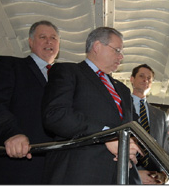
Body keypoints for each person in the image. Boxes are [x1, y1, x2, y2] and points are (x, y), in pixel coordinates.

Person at [41, 27, 143, 184]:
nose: (121, 56)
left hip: (123, 175)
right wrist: (106, 136)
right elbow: (56, 115)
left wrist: (132, 146)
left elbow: (134, 125)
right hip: (81, 172)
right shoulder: (68, 71)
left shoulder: (123, 89)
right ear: (97, 46)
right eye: (117, 50)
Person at [0, 20, 60, 184]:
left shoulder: (64, 78)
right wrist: (10, 133)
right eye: (43, 37)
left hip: (54, 171)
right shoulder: (9, 65)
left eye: (53, 38)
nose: (49, 41)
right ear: (30, 42)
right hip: (14, 168)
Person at [130, 64, 169, 184]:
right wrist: (133, 174)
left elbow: (165, 150)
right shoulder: (121, 107)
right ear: (132, 79)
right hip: (127, 173)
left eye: (149, 78)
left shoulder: (160, 115)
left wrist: (164, 173)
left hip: (154, 177)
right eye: (141, 76)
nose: (145, 80)